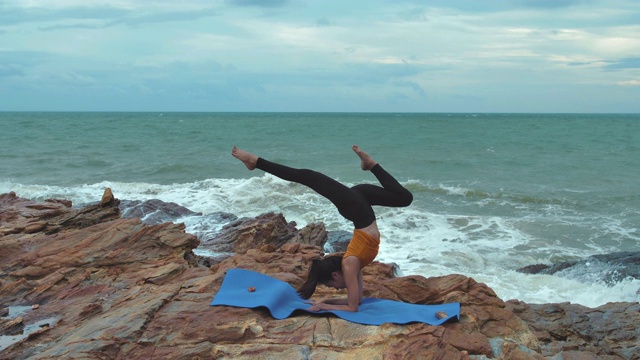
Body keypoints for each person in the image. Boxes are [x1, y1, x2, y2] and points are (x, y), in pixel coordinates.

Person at [232, 145, 413, 312]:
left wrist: (323, 306)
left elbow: (352, 307)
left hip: (356, 208)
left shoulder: (350, 264)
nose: (338, 289)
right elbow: (355, 302)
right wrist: (324, 303)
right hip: (359, 206)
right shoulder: (352, 266)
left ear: (335, 275)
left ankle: (255, 161)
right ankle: (371, 165)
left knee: (310, 177)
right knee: (404, 198)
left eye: (333, 287)